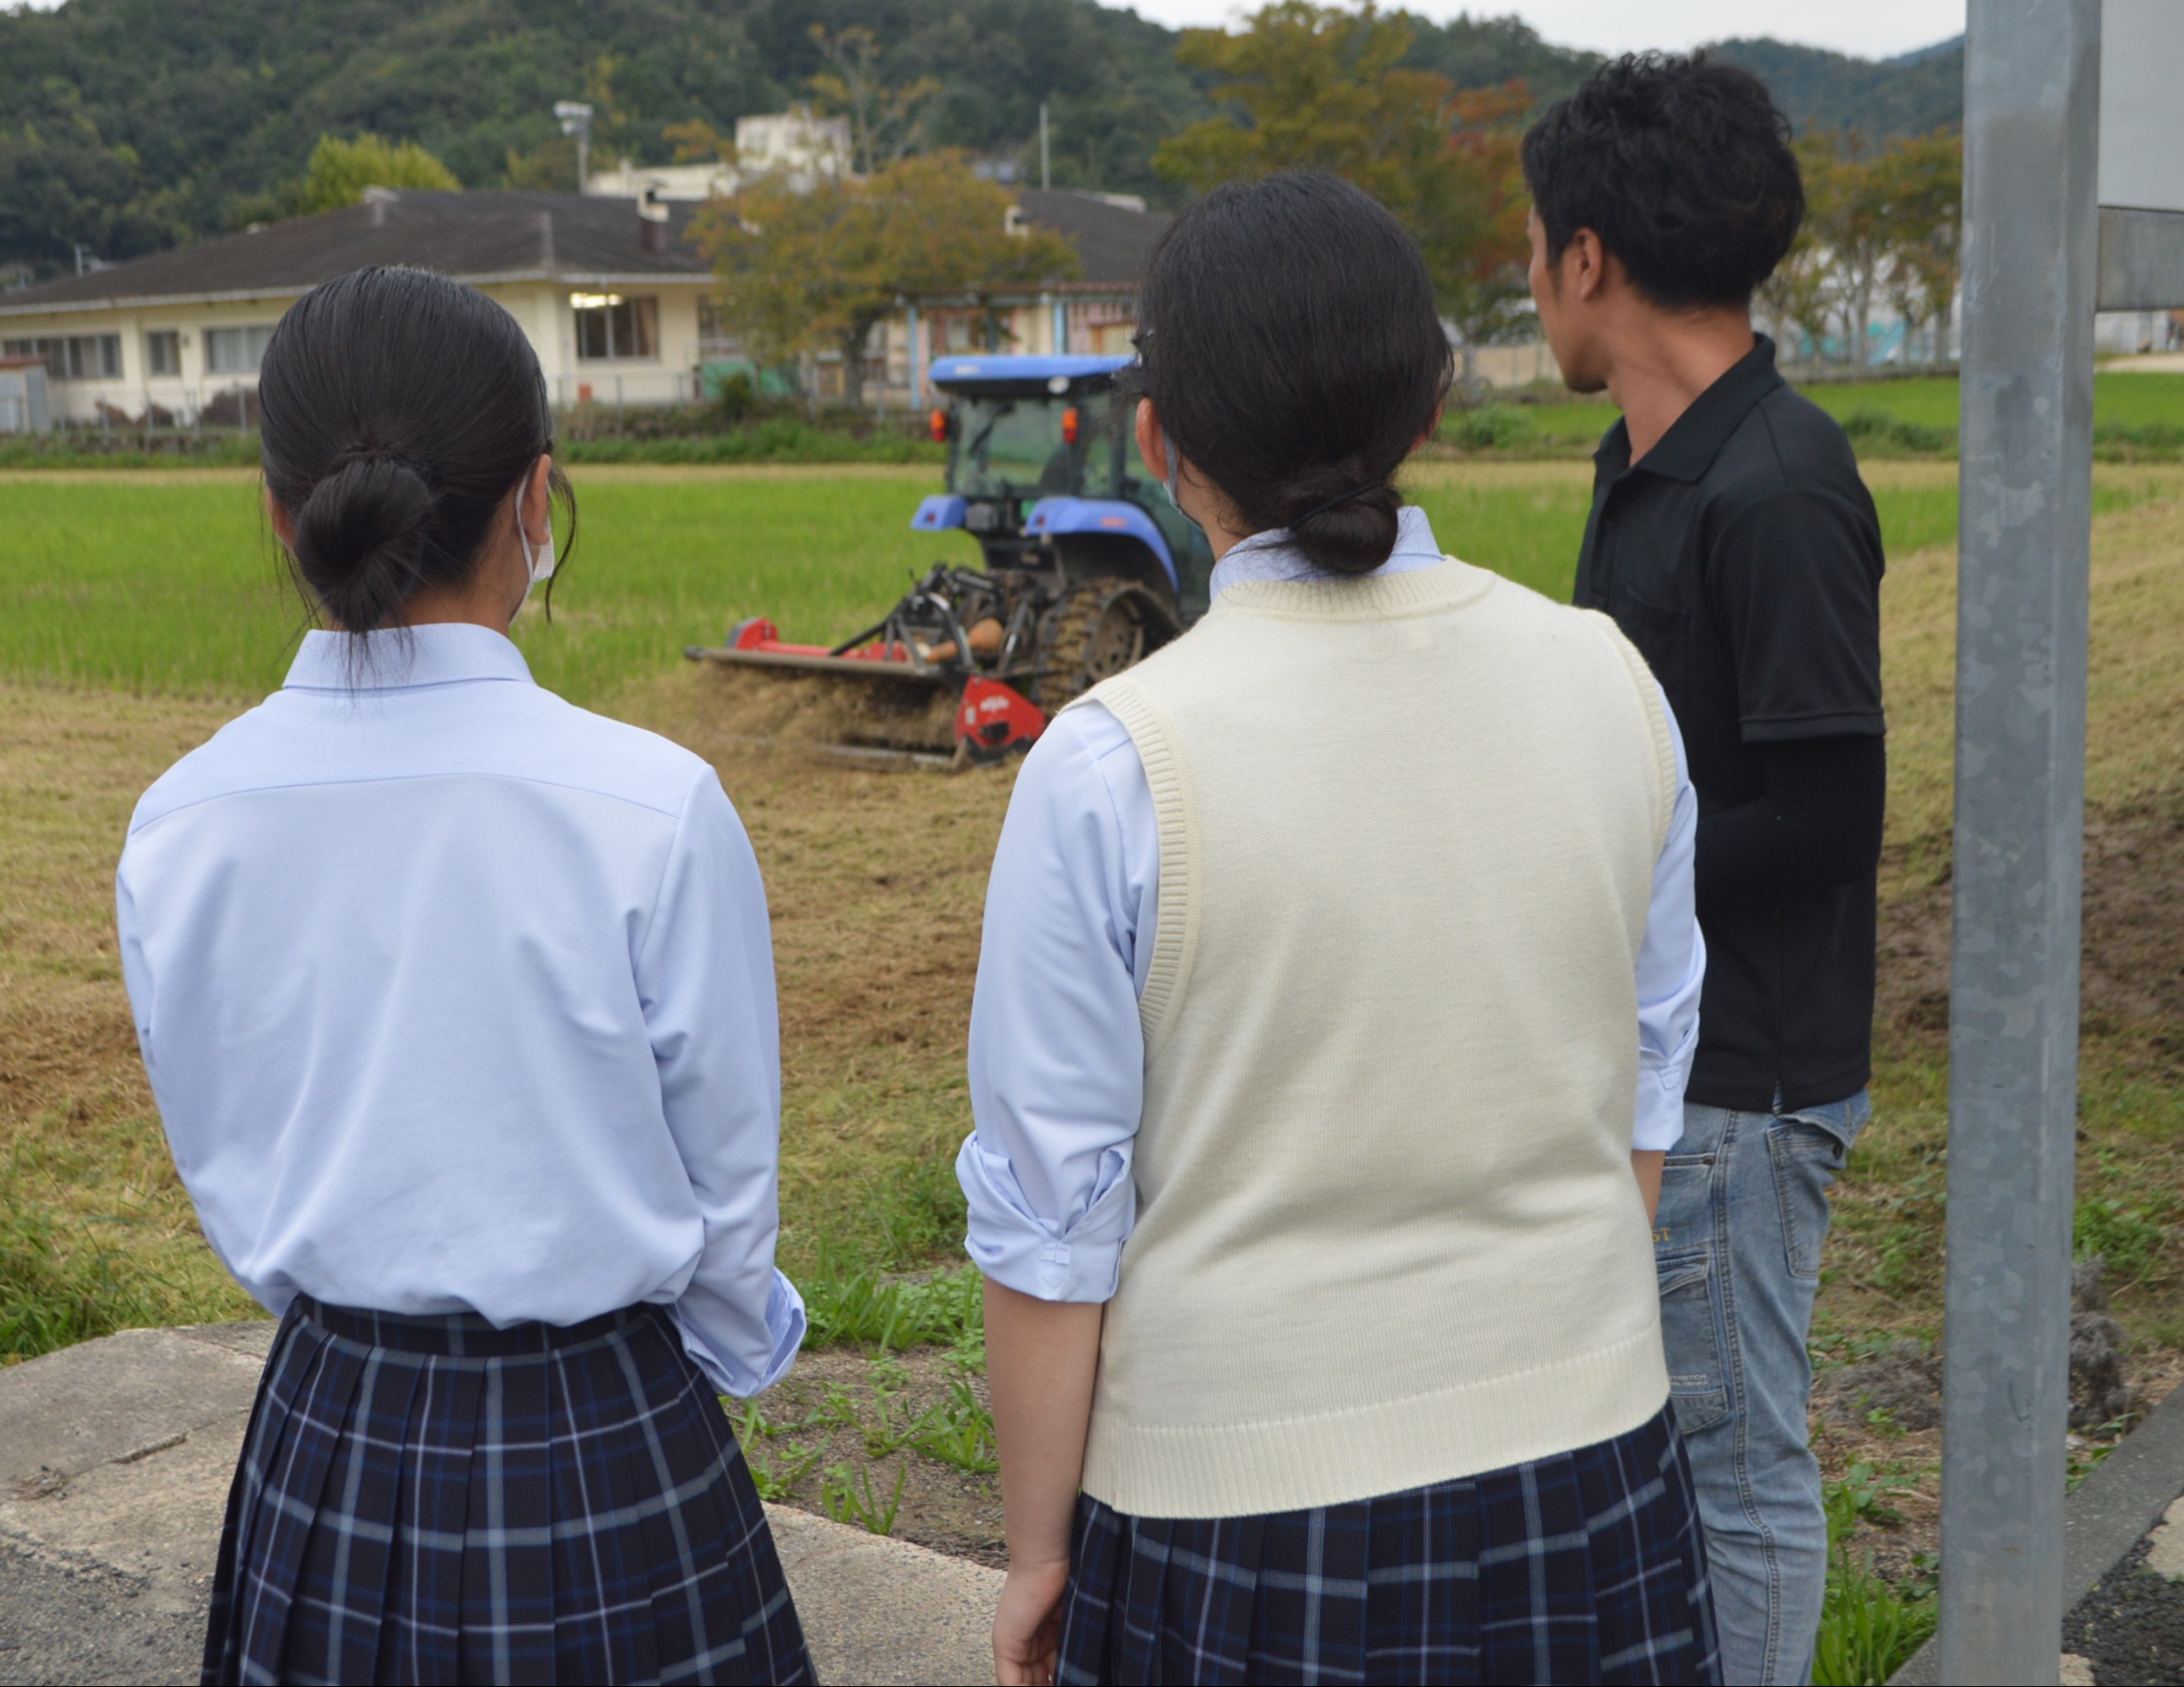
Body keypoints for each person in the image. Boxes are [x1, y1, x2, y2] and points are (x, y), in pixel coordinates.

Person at [963, 171, 1716, 1687]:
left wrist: (1042, 1551)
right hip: (1594, 1470)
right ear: (1433, 401)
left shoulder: (1114, 761)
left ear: (1162, 441)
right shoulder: (1610, 683)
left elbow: (1052, 1227)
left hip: (1232, 1517)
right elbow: (1646, 1090)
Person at [114, 266, 812, 1686]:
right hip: (610, 1434)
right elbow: (729, 1196)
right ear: (535, 503)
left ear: (280, 514)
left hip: (332, 1433)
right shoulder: (651, 803)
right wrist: (724, 1357)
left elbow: (230, 1157)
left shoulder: (184, 819)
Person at [1522, 54, 1888, 1687]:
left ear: (1586, 255)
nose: (1530, 283)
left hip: (1744, 1079)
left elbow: (1828, 820)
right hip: (1668, 1059)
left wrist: (1592, 887)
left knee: (1735, 1480)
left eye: (1534, 248)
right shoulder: (1645, 467)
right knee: (1666, 1464)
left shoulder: (1779, 484)